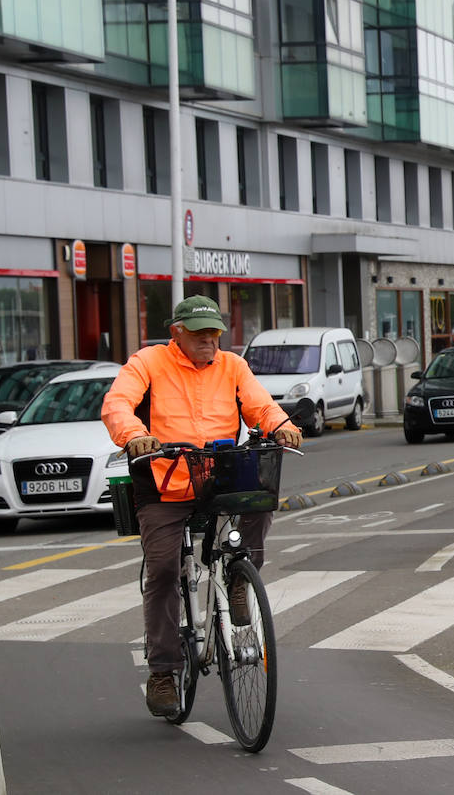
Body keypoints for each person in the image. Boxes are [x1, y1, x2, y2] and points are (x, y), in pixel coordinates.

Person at [102, 297, 303, 719]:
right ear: (176, 332)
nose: (208, 341)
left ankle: (238, 577)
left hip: (219, 478)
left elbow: (260, 405)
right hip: (164, 483)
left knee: (261, 497)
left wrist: (282, 426)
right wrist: (134, 434)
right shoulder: (148, 362)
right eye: (198, 334)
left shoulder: (232, 366)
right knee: (161, 571)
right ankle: (163, 671)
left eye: (213, 333)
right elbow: (117, 404)